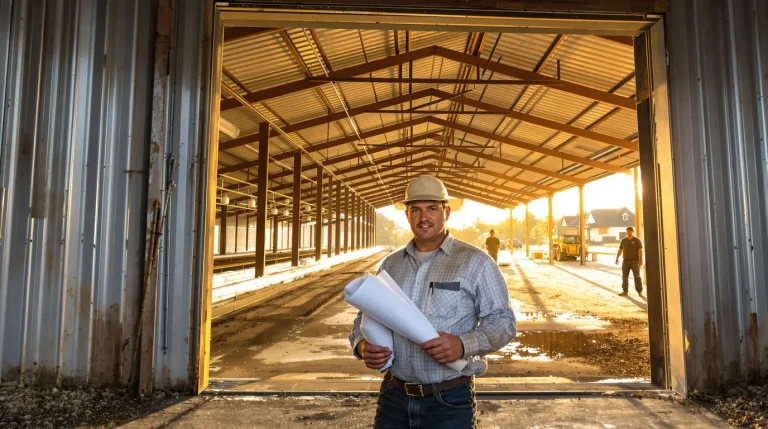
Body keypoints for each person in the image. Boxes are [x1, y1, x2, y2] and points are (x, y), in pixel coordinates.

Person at [349, 175, 517, 429]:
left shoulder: (476, 262)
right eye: (415, 209)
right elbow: (364, 317)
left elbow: (504, 322)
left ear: (446, 213)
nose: (423, 217)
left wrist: (463, 344)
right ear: (407, 215)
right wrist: (362, 345)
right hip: (394, 398)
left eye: (432, 208)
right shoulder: (391, 265)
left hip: (448, 401)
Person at [615, 226, 644, 297]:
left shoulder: (637, 240)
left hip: (634, 261)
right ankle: (625, 291)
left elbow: (640, 250)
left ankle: (639, 291)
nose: (629, 232)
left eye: (630, 231)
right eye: (628, 231)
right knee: (624, 276)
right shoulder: (623, 240)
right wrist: (617, 258)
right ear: (626, 232)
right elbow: (620, 249)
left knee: (637, 276)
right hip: (625, 261)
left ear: (633, 232)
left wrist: (641, 260)